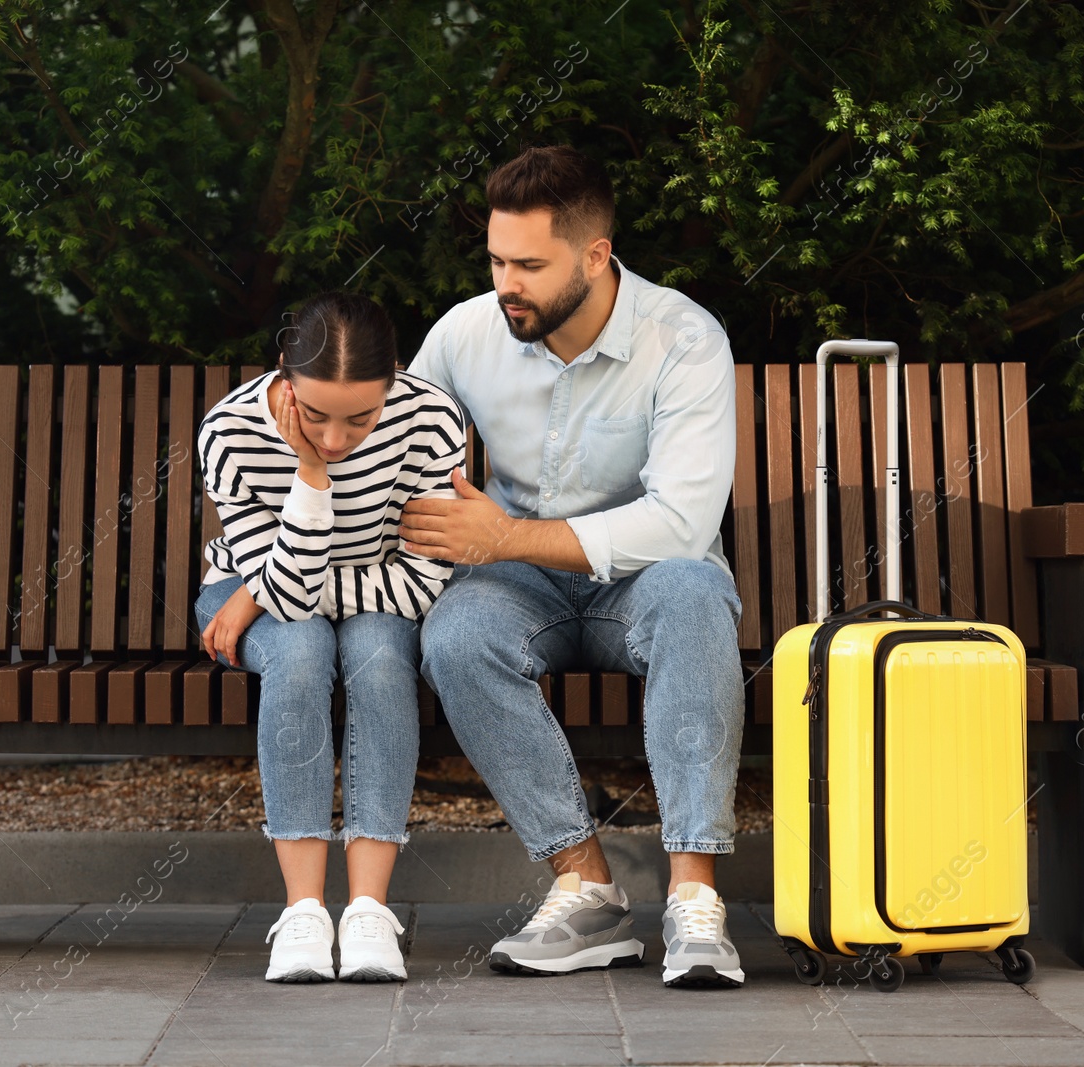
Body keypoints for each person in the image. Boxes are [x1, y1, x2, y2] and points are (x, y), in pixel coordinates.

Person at [401, 145, 747, 988]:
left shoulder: (685, 338)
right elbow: (395, 453)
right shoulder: (466, 333)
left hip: (650, 578)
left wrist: (504, 537)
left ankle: (696, 899)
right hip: (523, 585)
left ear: (595, 257)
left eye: (528, 264)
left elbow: (678, 523)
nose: (505, 282)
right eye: (494, 259)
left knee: (699, 592)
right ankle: (585, 883)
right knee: (455, 633)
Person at [194, 291, 466, 983]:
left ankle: (369, 909)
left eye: (360, 418)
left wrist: (277, 590)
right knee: (304, 648)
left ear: (395, 379)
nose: (337, 439)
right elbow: (286, 600)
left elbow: (421, 584)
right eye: (314, 417)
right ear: (284, 379)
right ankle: (306, 910)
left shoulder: (430, 419)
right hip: (253, 592)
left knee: (376, 656)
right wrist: (310, 479)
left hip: (346, 591)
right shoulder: (230, 432)